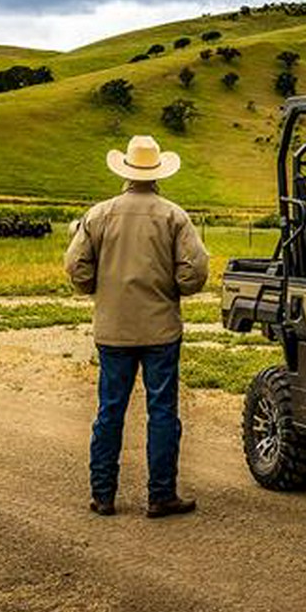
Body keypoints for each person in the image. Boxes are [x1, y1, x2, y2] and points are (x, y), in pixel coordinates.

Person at [64, 135, 209, 518]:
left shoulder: (99, 214)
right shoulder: (174, 216)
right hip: (161, 329)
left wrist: (97, 288)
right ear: (158, 172)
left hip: (112, 330)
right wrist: (173, 287)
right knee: (162, 411)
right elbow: (195, 271)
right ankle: (161, 495)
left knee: (110, 410)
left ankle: (103, 495)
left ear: (126, 170)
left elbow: (76, 266)